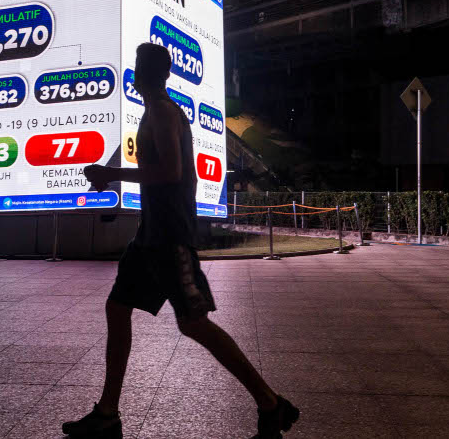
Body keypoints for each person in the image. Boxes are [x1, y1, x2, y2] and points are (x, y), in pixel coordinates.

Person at [62, 43, 299, 439]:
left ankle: (271, 404)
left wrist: (112, 174)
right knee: (118, 307)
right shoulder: (158, 110)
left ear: (146, 74)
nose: (136, 73)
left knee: (194, 324)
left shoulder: (161, 111)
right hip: (150, 237)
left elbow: (171, 171)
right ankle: (107, 414)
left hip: (170, 237)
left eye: (139, 66)